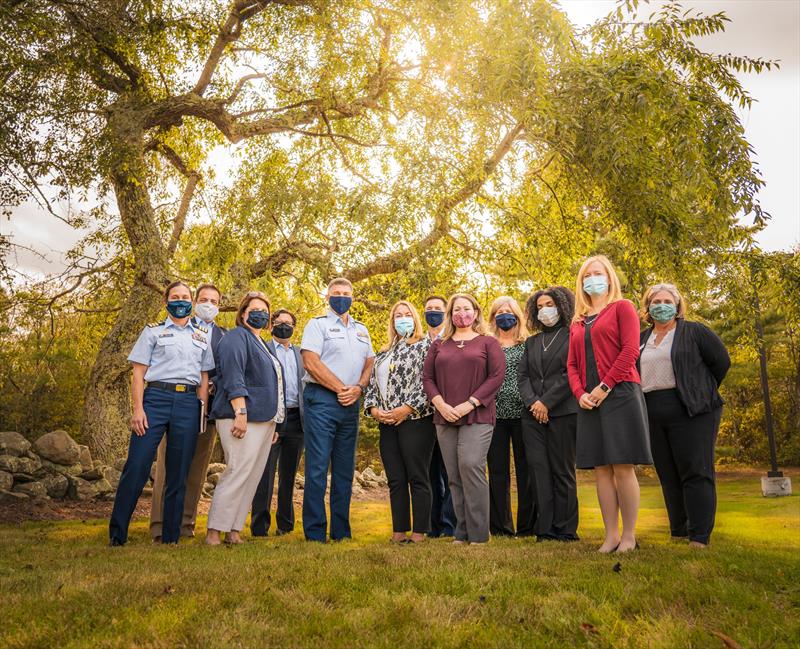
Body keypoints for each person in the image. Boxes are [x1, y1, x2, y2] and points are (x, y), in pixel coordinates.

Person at [109, 280, 213, 546]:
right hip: (155, 400)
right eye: (175, 297)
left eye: (185, 297)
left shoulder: (201, 334)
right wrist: (138, 409)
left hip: (188, 403)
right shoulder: (152, 332)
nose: (181, 301)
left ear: (191, 302)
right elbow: (138, 373)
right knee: (137, 466)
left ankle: (170, 538)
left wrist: (201, 411)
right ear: (166, 301)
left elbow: (203, 377)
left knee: (178, 473)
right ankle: (117, 535)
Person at [567, 255, 652, 553]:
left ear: (609, 277)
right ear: (581, 283)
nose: (593, 278)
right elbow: (572, 365)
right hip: (589, 401)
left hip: (620, 393)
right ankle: (611, 535)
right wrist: (580, 394)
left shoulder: (622, 308)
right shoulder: (577, 321)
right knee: (601, 468)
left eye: (598, 273)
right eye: (587, 274)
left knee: (622, 466)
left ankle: (629, 536)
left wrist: (604, 386)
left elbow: (630, 350)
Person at [638, 283, 730, 548]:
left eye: (668, 301)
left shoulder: (695, 331)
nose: (661, 305)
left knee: (695, 470)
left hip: (693, 409)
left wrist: (699, 389)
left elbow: (721, 362)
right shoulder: (641, 339)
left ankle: (699, 536)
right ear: (648, 307)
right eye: (656, 301)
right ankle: (678, 530)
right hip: (653, 410)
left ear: (677, 307)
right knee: (668, 473)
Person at [423, 293, 506, 544]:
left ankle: (480, 534)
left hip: (478, 415)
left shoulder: (488, 343)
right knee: (454, 476)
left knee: (471, 466)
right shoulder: (439, 344)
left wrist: (469, 404)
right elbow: (427, 378)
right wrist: (440, 404)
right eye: (456, 309)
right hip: (444, 415)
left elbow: (496, 377)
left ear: (476, 312)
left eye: (466, 308)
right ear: (450, 315)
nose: (462, 313)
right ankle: (462, 532)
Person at [205, 291, 285, 545]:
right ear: (243, 314)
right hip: (241, 417)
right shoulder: (236, 338)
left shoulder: (260, 342)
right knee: (237, 471)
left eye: (265, 310)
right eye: (255, 309)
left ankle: (234, 529)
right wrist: (240, 411)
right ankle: (214, 532)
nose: (260, 314)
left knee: (251, 476)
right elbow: (232, 376)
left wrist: (276, 422)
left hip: (264, 420)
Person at [150, 283, 226, 542]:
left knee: (197, 468)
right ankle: (160, 525)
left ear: (219, 305)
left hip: (208, 410)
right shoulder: (180, 326)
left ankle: (185, 523)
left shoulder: (225, 336)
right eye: (203, 299)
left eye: (213, 301)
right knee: (167, 466)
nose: (208, 304)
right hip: (175, 403)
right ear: (195, 303)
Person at [300, 278, 375, 542]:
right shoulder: (316, 325)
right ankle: (315, 532)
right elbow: (310, 362)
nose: (341, 297)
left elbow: (370, 362)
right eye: (336, 293)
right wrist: (342, 388)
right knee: (318, 468)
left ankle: (341, 532)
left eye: (346, 294)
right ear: (327, 296)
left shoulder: (361, 330)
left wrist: (359, 388)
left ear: (352, 297)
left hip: (351, 403)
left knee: (344, 470)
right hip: (321, 400)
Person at [365, 301, 435, 544]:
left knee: (417, 476)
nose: (402, 319)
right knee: (395, 478)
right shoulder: (385, 351)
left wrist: (406, 409)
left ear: (415, 319)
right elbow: (373, 385)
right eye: (398, 315)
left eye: (407, 315)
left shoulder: (426, 346)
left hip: (415, 419)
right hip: (386, 422)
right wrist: (373, 409)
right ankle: (399, 532)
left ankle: (419, 533)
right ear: (392, 321)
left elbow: (428, 382)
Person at [519, 286, 579, 542]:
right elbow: (522, 377)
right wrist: (534, 403)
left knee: (562, 471)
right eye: (540, 307)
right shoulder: (531, 342)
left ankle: (565, 529)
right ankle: (544, 529)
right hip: (532, 416)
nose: (545, 310)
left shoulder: (573, 335)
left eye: (549, 305)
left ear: (562, 306)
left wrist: (547, 403)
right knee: (539, 471)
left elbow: (571, 373)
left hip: (563, 412)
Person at [250, 309, 305, 537]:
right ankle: (259, 526)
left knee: (288, 475)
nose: (284, 326)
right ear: (271, 325)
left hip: (296, 419)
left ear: (294, 326)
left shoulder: (302, 353)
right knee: (265, 474)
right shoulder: (262, 349)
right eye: (280, 322)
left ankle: (285, 524)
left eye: (289, 323)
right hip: (271, 419)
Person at [487, 296, 535, 537]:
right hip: (494, 415)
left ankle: (527, 526)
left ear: (517, 315)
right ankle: (500, 527)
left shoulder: (527, 344)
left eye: (508, 311)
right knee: (497, 471)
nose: (504, 315)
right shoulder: (487, 344)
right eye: (499, 311)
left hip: (523, 413)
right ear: (493, 317)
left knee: (526, 470)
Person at [423, 295, 456, 538]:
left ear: (446, 313)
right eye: (429, 309)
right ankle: (433, 525)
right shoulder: (418, 340)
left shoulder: (453, 338)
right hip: (423, 416)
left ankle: (449, 523)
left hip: (449, 413)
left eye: (437, 309)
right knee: (430, 471)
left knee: (450, 471)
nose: (433, 312)